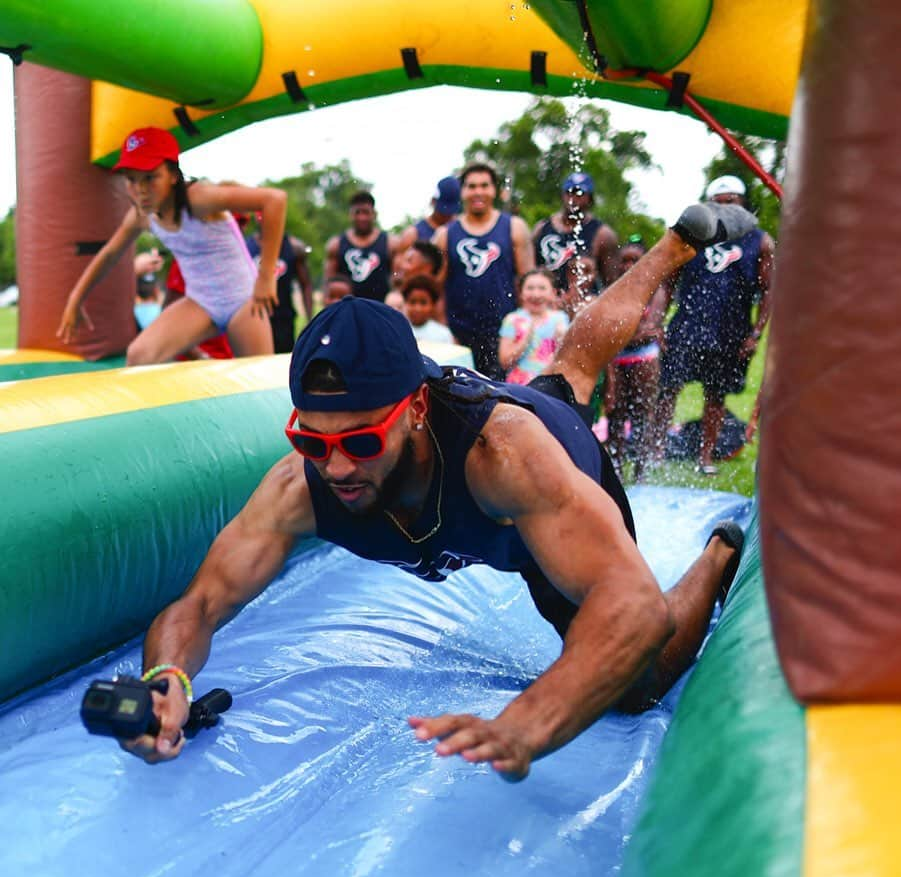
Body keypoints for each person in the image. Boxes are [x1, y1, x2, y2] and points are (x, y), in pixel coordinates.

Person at [123, 201, 755, 779]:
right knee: (571, 367)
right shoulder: (300, 484)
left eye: (362, 442)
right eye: (313, 440)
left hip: (553, 453)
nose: (336, 466)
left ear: (416, 409)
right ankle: (677, 243)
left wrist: (527, 723)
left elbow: (635, 609)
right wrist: (166, 679)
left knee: (632, 688)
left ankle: (719, 554)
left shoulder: (502, 458)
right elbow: (201, 604)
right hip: (508, 418)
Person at [57, 127, 285, 362]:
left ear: (173, 176)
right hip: (201, 303)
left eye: (150, 178)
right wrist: (75, 299)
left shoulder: (198, 199)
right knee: (138, 355)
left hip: (243, 301)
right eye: (131, 180)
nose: (141, 190)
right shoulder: (141, 216)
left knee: (256, 372)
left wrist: (266, 277)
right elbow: (109, 255)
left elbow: (275, 200)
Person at [653, 175, 775, 475]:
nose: (724, 207)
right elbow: (668, 283)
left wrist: (756, 334)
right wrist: (658, 323)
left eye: (730, 201)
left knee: (716, 395)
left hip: (730, 331)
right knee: (668, 389)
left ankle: (705, 458)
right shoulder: (693, 236)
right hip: (687, 325)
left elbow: (770, 289)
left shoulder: (759, 240)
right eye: (718, 203)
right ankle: (655, 451)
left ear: (742, 203)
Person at [433, 163, 534, 378]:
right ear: (462, 191)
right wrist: (445, 330)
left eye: (484, 185)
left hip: (503, 331)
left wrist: (522, 329)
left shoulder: (514, 227)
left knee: (501, 398)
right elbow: (436, 288)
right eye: (471, 186)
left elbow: (528, 282)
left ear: (494, 190)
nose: (478, 192)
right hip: (459, 332)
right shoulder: (445, 235)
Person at [606, 238, 669, 482]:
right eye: (625, 261)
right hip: (617, 360)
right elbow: (638, 330)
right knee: (616, 415)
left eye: (635, 260)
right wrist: (636, 332)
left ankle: (641, 472)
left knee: (643, 414)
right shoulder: (614, 288)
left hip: (644, 359)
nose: (629, 265)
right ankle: (616, 470)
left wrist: (626, 333)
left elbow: (648, 328)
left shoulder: (656, 289)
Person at [532, 173, 620, 291]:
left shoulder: (602, 234)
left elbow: (612, 284)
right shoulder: (542, 228)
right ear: (562, 195)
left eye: (580, 194)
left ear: (590, 198)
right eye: (569, 192)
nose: (573, 198)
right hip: (545, 303)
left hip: (582, 304)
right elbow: (527, 273)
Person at [244, 216, 314, 353]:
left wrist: (309, 319)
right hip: (254, 317)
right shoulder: (246, 247)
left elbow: (305, 284)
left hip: (284, 320)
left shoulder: (294, 247)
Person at [325, 191, 400, 303]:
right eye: (358, 212)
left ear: (374, 214)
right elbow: (329, 283)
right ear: (351, 215)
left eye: (366, 212)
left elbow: (397, 282)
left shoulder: (390, 243)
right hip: (348, 308)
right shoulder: (336, 244)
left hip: (380, 308)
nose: (362, 217)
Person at [498, 269, 569, 385]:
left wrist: (561, 339)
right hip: (519, 385)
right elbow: (505, 362)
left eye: (542, 288)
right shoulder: (513, 319)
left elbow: (566, 359)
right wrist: (526, 338)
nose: (536, 294)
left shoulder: (559, 319)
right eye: (530, 288)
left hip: (550, 384)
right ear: (521, 293)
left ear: (553, 293)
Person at [398, 176, 461, 249]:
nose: (447, 216)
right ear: (433, 201)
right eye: (443, 211)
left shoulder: (462, 229)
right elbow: (401, 260)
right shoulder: (413, 234)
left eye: (451, 211)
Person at [385, 240, 445, 315]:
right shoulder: (395, 294)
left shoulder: (438, 306)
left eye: (409, 261)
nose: (402, 266)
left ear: (426, 268)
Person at [401, 275, 455, 343]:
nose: (418, 308)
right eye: (412, 302)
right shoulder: (399, 331)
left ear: (433, 305)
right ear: (405, 302)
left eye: (423, 303)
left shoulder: (443, 334)